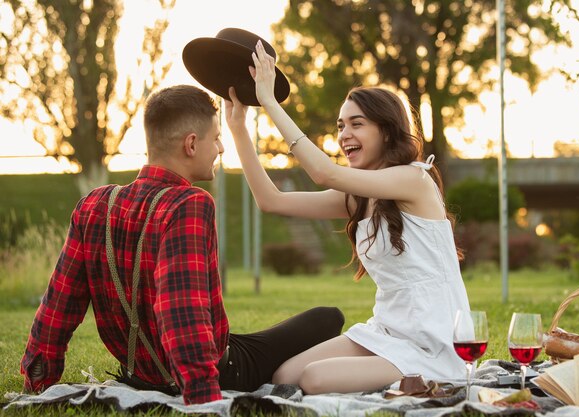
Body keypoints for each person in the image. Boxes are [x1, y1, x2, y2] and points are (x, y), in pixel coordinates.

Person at [20, 84, 344, 405]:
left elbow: (59, 304)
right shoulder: (188, 203)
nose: (220, 148)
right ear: (191, 144)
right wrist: (204, 397)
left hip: (138, 371)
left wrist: (39, 377)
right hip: (214, 372)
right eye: (216, 138)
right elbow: (180, 309)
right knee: (328, 318)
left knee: (261, 336)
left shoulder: (94, 204)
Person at [223, 41, 472, 395]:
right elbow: (271, 201)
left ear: (386, 131)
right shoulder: (358, 196)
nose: (344, 135)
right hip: (387, 331)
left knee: (314, 379)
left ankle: (429, 381)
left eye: (357, 124)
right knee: (286, 375)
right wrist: (238, 130)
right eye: (341, 126)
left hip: (432, 340)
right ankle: (402, 382)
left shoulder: (413, 179)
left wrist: (271, 103)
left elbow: (325, 173)